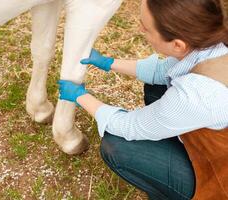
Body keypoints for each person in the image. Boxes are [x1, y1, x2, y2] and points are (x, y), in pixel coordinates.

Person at [58, 0, 228, 199]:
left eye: (146, 28)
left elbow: (129, 126)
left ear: (178, 44)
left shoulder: (197, 95)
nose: (140, 29)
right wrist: (107, 63)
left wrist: (80, 96)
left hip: (220, 178)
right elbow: (163, 71)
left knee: (119, 147)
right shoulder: (211, 41)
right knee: (156, 87)